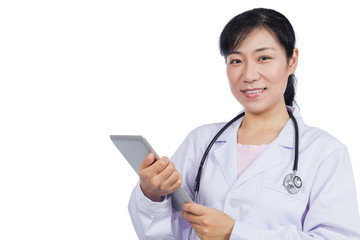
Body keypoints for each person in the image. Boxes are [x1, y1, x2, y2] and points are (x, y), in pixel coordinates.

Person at [128, 8, 360, 239]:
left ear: (292, 61)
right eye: (236, 60)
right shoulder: (201, 142)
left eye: (264, 58)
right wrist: (151, 196)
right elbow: (163, 234)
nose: (249, 74)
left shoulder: (325, 153)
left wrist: (234, 232)